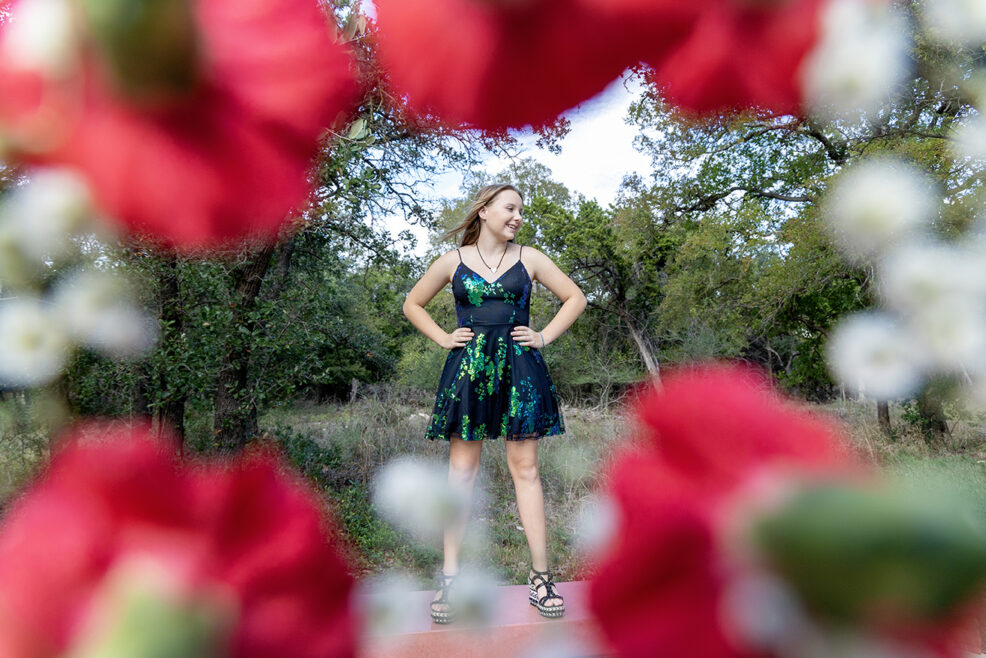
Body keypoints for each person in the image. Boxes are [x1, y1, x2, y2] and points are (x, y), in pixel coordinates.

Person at [402, 184, 587, 624]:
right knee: (461, 473)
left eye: (521, 210)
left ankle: (541, 578)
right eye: (511, 208)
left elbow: (576, 297)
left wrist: (543, 336)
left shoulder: (531, 258)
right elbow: (412, 303)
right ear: (484, 211)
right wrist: (443, 337)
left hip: (520, 370)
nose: (518, 216)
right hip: (469, 372)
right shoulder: (452, 261)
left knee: (527, 470)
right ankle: (450, 577)